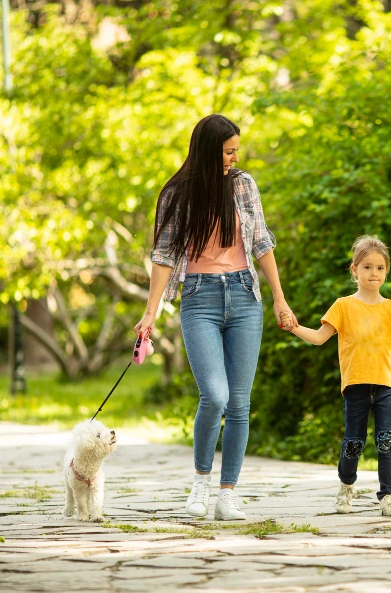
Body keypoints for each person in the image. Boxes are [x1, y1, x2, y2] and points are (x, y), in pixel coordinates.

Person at [135, 114, 298, 521]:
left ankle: (228, 494)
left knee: (240, 402)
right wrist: (149, 313)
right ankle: (200, 483)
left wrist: (280, 299)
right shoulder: (178, 193)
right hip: (199, 298)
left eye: (236, 150)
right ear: (209, 150)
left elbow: (261, 243)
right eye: (228, 151)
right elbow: (164, 255)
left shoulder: (243, 185)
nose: (235, 157)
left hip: (244, 296)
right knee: (215, 395)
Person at [285, 235, 391, 516]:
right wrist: (293, 326)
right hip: (355, 384)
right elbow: (319, 338)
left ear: (386, 271)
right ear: (354, 270)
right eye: (367, 267)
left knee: (387, 439)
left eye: (380, 267)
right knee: (354, 442)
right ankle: (346, 485)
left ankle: (388, 496)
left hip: (385, 385)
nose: (374, 273)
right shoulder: (343, 306)